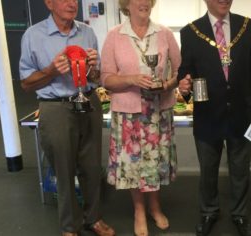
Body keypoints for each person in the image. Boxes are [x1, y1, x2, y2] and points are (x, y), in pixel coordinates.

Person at [19, 0, 114, 235]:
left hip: (88, 101)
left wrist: (93, 68)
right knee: (64, 168)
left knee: (92, 167)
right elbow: (26, 84)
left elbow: (96, 77)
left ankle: (93, 219)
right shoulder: (33, 35)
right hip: (56, 107)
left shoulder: (87, 32)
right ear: (49, 3)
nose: (72, 3)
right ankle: (70, 226)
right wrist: (51, 70)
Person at [178, 0, 251, 235]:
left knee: (240, 169)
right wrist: (183, 86)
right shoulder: (190, 32)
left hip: (242, 113)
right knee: (208, 170)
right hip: (207, 114)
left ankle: (240, 214)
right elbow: (185, 71)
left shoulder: (249, 27)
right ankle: (209, 212)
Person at [100, 0, 181, 235]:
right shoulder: (114, 36)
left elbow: (180, 70)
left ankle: (155, 206)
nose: (144, 2)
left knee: (155, 164)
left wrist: (166, 84)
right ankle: (138, 210)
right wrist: (132, 79)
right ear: (127, 4)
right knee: (133, 165)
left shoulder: (164, 34)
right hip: (128, 113)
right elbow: (106, 78)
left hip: (158, 112)